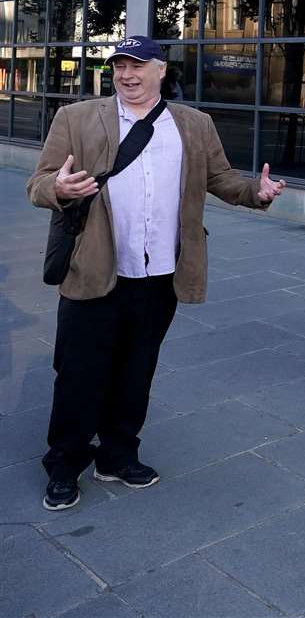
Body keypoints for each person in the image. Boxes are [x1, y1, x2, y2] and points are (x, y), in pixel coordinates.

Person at [27, 35, 286, 512]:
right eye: (120, 65)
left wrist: (257, 191)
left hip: (158, 274)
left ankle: (118, 455)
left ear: (161, 70)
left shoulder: (193, 124)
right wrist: (58, 187)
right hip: (94, 269)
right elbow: (39, 182)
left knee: (135, 371)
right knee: (79, 375)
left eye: (138, 65)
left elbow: (219, 179)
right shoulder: (77, 118)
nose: (127, 74)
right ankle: (64, 465)